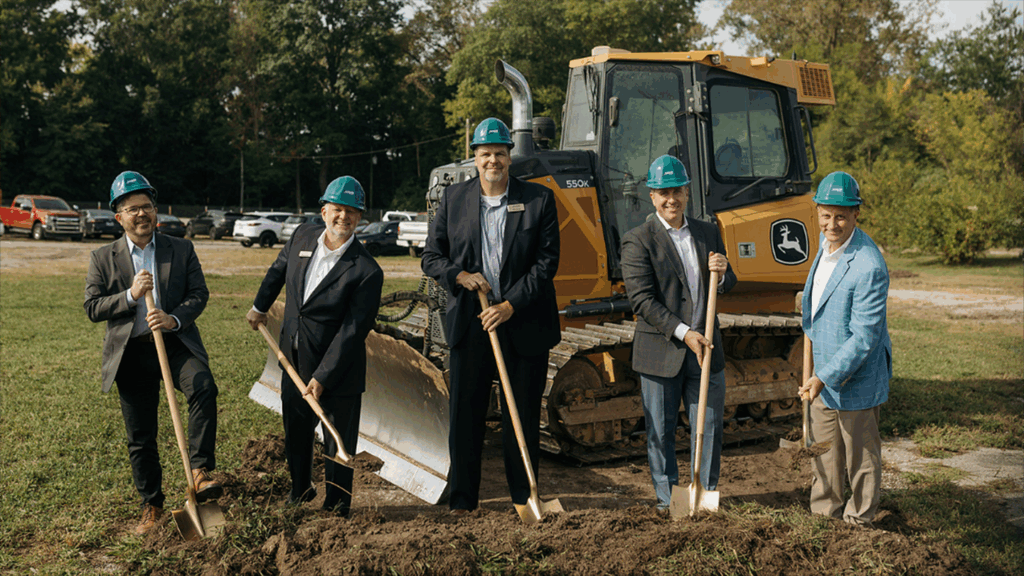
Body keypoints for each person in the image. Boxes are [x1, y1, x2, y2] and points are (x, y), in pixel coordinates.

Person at [422, 117, 560, 514]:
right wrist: (460, 275)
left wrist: (509, 305)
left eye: (499, 153)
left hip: (523, 322)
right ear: (475, 158)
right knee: (466, 417)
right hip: (472, 323)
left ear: (509, 156)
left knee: (523, 416)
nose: (492, 161)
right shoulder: (454, 200)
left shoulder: (538, 200)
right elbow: (431, 257)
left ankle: (524, 497)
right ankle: (463, 501)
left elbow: (546, 263)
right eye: (485, 154)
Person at [84, 171, 222, 535]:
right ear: (119, 217)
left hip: (174, 344)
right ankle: (152, 505)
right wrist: (130, 295)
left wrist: (174, 318)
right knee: (141, 434)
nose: (141, 214)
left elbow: (199, 294)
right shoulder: (103, 257)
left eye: (146, 206)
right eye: (132, 209)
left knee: (204, 386)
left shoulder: (181, 248)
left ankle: (200, 471)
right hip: (131, 353)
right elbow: (93, 306)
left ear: (155, 210)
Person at [246, 176, 382, 516]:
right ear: (324, 211)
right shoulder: (302, 236)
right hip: (293, 356)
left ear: (360, 218)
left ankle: (337, 506)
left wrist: (322, 377)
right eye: (337, 210)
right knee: (296, 428)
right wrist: (260, 307)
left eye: (352, 212)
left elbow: (353, 331)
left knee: (337, 436)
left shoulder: (366, 270)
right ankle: (300, 489)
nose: (343, 218)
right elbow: (278, 271)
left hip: (338, 370)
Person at [620, 155, 737, 512]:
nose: (672, 199)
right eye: (664, 192)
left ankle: (704, 496)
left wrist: (725, 269)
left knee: (710, 428)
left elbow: (727, 283)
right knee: (661, 431)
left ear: (687, 193)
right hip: (663, 351)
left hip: (706, 351)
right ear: (652, 196)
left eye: (678, 191)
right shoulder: (638, 240)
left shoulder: (707, 231)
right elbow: (641, 300)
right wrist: (685, 333)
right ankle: (668, 502)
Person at [799, 171, 891, 527]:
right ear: (817, 212)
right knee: (824, 451)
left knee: (861, 455)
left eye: (841, 215)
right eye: (826, 215)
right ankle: (825, 514)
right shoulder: (823, 249)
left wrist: (823, 376)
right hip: (822, 372)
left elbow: (865, 337)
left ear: (855, 214)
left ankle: (860, 520)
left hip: (857, 376)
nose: (832, 223)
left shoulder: (868, 265)